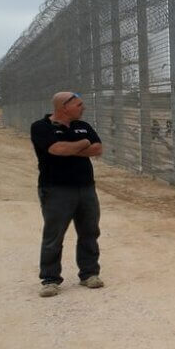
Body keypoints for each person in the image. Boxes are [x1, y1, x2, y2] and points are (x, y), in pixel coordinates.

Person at [30, 92, 105, 298]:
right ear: (64, 107)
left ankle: (89, 274)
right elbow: (57, 149)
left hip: (86, 188)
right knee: (54, 235)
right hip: (56, 189)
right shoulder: (41, 127)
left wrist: (73, 148)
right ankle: (50, 279)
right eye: (79, 104)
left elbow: (98, 148)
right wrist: (82, 144)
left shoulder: (84, 126)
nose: (83, 108)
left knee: (90, 232)